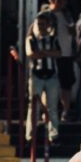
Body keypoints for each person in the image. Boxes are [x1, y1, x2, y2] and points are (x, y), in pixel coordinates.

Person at [25, 12, 61, 141]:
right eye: (38, 24)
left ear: (48, 25)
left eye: (43, 24)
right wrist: (48, 53)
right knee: (34, 106)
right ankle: (30, 135)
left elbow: (58, 53)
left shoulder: (53, 39)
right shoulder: (31, 39)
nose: (40, 26)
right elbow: (32, 55)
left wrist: (43, 53)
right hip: (36, 76)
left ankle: (53, 134)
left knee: (52, 106)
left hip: (51, 76)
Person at [47, 0, 77, 121]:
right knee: (52, 84)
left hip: (67, 54)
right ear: (55, 0)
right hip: (53, 55)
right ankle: (49, 111)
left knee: (67, 84)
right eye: (62, 0)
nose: (65, 3)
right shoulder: (47, 15)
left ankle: (65, 110)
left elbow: (73, 32)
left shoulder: (67, 14)